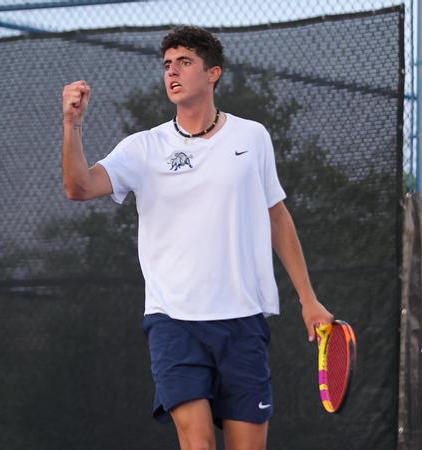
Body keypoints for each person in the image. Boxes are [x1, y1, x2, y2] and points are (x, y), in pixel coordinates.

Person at [62, 25, 333, 450]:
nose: (173, 72)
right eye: (168, 64)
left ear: (213, 73)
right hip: (173, 322)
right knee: (198, 442)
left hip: (243, 320)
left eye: (185, 62)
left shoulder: (252, 137)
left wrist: (308, 299)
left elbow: (277, 218)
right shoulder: (143, 148)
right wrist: (72, 125)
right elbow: (78, 187)